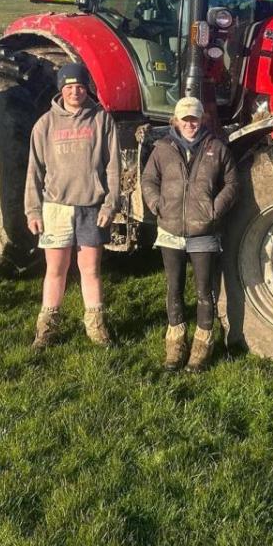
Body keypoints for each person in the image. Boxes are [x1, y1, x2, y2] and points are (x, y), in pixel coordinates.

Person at [25, 62, 121, 349]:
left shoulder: (101, 120)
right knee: (56, 269)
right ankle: (46, 329)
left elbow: (113, 166)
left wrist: (110, 204)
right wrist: (33, 209)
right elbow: (34, 171)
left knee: (90, 269)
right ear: (61, 90)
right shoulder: (45, 124)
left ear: (86, 88)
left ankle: (96, 327)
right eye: (69, 87)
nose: (75, 92)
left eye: (79, 86)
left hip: (91, 206)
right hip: (56, 207)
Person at [141, 97, 239, 371]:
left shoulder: (216, 148)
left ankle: (202, 347)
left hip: (203, 231)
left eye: (194, 119)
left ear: (202, 120)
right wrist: (156, 204)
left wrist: (213, 210)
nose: (190, 124)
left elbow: (232, 182)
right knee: (174, 288)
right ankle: (175, 345)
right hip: (170, 229)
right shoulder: (162, 149)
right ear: (175, 120)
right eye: (185, 119)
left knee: (204, 291)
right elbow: (149, 180)